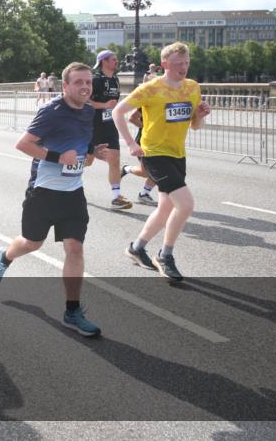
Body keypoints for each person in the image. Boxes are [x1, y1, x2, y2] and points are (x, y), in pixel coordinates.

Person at [0, 62, 107, 337]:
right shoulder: (52, 111)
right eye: (78, 82)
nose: (85, 87)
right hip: (43, 192)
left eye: (88, 82)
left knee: (75, 249)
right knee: (32, 243)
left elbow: (83, 151)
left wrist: (92, 153)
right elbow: (23, 144)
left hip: (73, 194)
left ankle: (72, 311)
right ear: (65, 86)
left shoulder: (89, 111)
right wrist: (57, 157)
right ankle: (5, 256)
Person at [113, 42, 211, 282]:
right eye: (178, 64)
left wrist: (200, 116)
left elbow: (195, 126)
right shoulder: (150, 88)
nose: (183, 68)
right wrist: (131, 143)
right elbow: (118, 112)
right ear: (165, 64)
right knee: (185, 205)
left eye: (186, 63)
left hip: (177, 154)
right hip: (154, 153)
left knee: (165, 208)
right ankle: (165, 256)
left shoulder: (192, 87)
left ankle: (136, 248)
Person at [84, 51, 132, 210]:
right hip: (93, 125)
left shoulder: (115, 80)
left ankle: (116, 197)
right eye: (114, 60)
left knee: (115, 159)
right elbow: (85, 101)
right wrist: (104, 105)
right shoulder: (96, 80)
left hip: (109, 125)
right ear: (104, 62)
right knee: (88, 160)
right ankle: (67, 178)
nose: (117, 62)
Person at [120, 108, 158, 206]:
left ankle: (144, 194)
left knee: (159, 170)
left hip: (163, 143)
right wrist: (148, 129)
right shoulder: (149, 101)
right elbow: (132, 118)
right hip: (145, 142)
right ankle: (126, 169)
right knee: (147, 172)